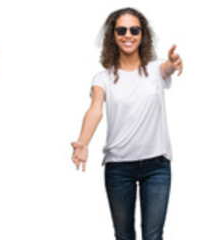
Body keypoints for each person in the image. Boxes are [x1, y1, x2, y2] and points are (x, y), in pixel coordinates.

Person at [69, 7, 182, 240]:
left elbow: (168, 68)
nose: (128, 35)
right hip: (119, 168)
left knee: (153, 236)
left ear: (142, 35)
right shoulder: (103, 79)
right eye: (121, 30)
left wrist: (173, 63)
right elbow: (95, 110)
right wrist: (83, 142)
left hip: (157, 166)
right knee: (124, 236)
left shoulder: (155, 70)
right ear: (113, 35)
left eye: (134, 30)